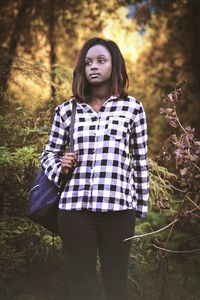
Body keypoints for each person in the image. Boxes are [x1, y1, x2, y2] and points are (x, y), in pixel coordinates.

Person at [41, 37, 149, 300]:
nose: (94, 66)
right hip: (75, 212)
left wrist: (139, 208)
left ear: (115, 65)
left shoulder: (132, 108)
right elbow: (48, 155)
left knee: (116, 285)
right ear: (81, 69)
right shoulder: (67, 110)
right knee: (81, 286)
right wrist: (61, 166)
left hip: (119, 212)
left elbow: (140, 160)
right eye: (88, 62)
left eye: (101, 60)